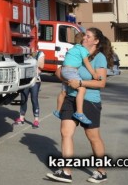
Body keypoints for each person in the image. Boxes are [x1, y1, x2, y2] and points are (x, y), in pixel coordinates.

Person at [46, 28, 113, 184]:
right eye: (84, 35)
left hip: (89, 100)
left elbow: (101, 82)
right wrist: (64, 75)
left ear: (96, 41)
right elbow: (59, 71)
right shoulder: (76, 51)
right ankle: (66, 171)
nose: (84, 38)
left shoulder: (99, 58)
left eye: (88, 36)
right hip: (70, 97)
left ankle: (101, 172)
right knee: (65, 132)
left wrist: (80, 82)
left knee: (93, 137)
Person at [52, 31, 98, 125]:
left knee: (63, 92)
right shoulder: (82, 49)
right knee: (82, 89)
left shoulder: (72, 49)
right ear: (82, 42)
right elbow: (86, 62)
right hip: (71, 71)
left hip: (64, 70)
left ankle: (58, 111)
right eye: (86, 39)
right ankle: (79, 113)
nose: (87, 41)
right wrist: (94, 74)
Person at [14, 49, 45, 128]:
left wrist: (32, 60)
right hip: (25, 79)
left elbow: (41, 66)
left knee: (34, 99)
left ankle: (36, 120)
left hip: (35, 80)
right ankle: (21, 118)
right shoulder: (24, 52)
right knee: (23, 99)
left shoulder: (40, 53)